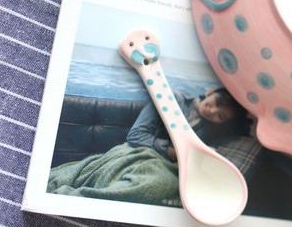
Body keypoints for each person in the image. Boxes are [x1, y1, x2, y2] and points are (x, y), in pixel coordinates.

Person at [47, 88, 248, 206]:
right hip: (135, 151)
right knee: (140, 177)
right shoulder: (172, 99)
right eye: (217, 102)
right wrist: (171, 150)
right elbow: (136, 135)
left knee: (165, 185)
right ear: (211, 92)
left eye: (220, 116)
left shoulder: (209, 132)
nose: (213, 111)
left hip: (165, 168)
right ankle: (81, 200)